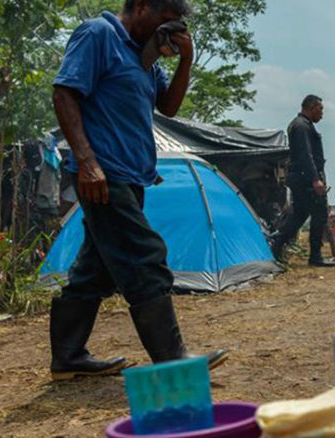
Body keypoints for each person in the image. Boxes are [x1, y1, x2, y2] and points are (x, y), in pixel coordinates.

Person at [49, 0, 227, 380]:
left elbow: (169, 107)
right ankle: (171, 355)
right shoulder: (98, 34)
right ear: (143, 6)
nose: (169, 30)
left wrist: (185, 60)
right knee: (144, 256)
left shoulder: (144, 60)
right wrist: (87, 161)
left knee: (95, 270)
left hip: (132, 176)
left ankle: (67, 357)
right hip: (103, 173)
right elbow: (64, 93)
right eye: (166, 21)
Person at [271, 95, 335, 267]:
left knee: (299, 216)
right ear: (311, 107)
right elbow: (305, 155)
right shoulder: (301, 126)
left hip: (302, 177)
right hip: (305, 179)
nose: (322, 113)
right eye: (320, 109)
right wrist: (315, 179)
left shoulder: (302, 125)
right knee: (319, 214)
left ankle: (277, 246)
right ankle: (314, 255)